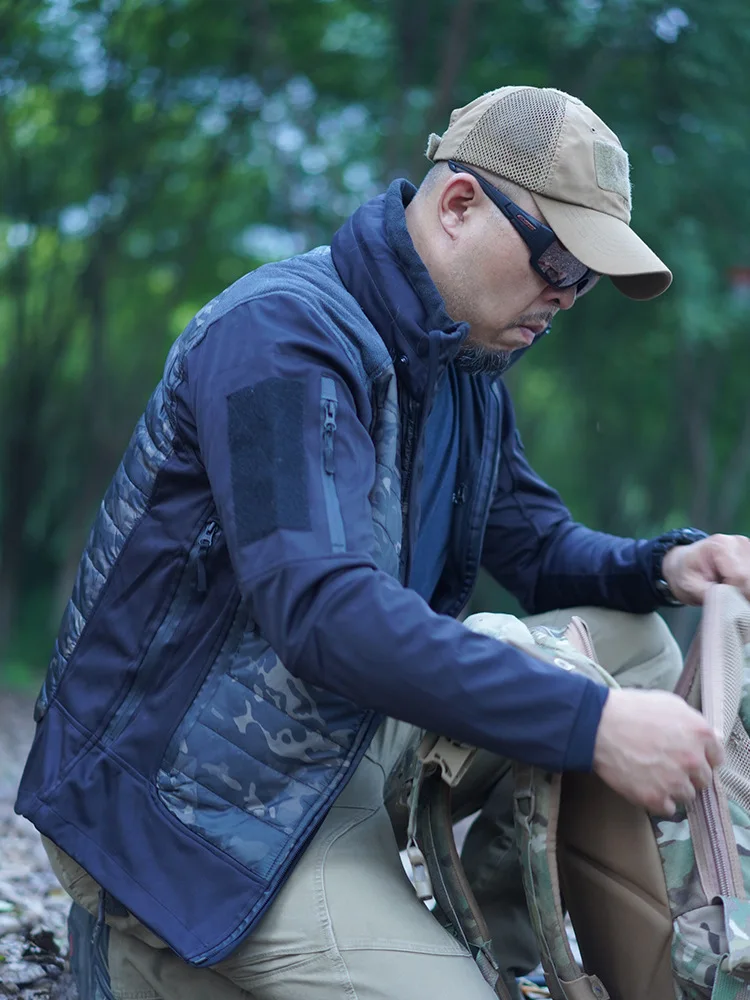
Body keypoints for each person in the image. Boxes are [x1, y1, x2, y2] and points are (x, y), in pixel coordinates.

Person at [15, 85, 750, 1000]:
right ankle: (143, 952)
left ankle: (481, 936)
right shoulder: (280, 336)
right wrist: (590, 725)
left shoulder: (470, 369)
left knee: (634, 641)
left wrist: (668, 564)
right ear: (457, 206)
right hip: (191, 804)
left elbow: (537, 550)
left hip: (344, 733)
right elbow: (320, 612)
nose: (565, 298)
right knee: (589, 702)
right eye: (557, 260)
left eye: (586, 281)